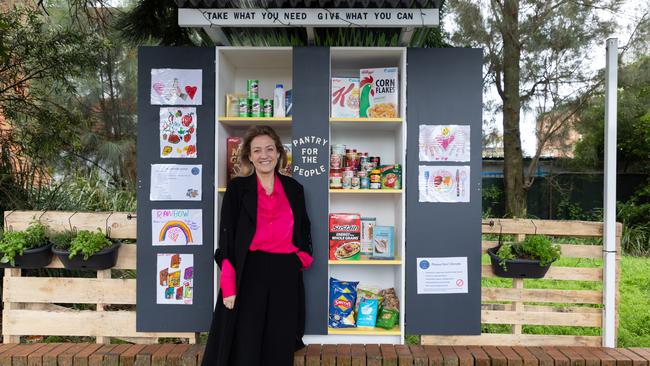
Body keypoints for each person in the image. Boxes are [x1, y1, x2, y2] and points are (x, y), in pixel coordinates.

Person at [201, 125, 313, 366]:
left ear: (279, 153)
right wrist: (229, 283)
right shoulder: (237, 189)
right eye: (257, 150)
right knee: (246, 344)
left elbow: (304, 228)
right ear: (249, 156)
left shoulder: (295, 189)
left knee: (279, 343)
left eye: (270, 149)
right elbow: (227, 237)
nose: (265, 155)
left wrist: (301, 258)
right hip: (250, 271)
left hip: (285, 273)